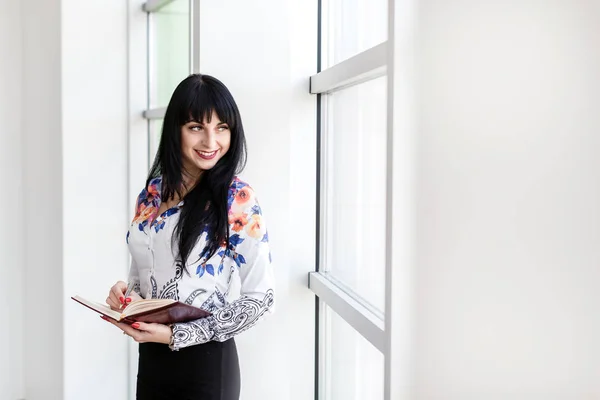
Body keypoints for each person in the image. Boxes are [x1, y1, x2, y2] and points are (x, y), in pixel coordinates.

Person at [102, 74, 275, 400]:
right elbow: (143, 273)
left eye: (222, 127)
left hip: (207, 365)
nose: (211, 141)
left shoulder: (237, 199)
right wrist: (126, 295)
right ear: (175, 130)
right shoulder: (152, 193)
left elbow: (260, 298)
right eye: (197, 127)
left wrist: (177, 335)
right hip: (153, 359)